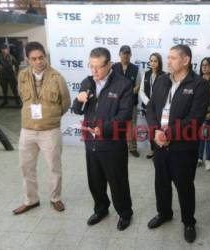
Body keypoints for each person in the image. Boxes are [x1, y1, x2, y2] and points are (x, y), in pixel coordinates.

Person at [146, 45, 210, 243]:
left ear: (186, 60)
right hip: (159, 142)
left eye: (173, 58)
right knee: (161, 183)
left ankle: (189, 221)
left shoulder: (199, 84)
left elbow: (195, 118)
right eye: (168, 57)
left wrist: (169, 135)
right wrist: (156, 130)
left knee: (184, 185)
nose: (169, 61)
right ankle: (164, 213)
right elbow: (151, 108)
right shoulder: (163, 80)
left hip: (183, 146)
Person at [72, 47, 134, 231]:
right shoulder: (87, 82)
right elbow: (77, 109)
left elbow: (124, 115)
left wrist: (103, 129)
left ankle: (125, 213)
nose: (94, 71)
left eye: (98, 67)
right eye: (91, 66)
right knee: (95, 181)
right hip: (91, 143)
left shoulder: (123, 84)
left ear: (109, 64)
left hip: (112, 143)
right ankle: (101, 209)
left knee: (118, 182)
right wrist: (79, 99)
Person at [13, 42, 70, 214]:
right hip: (27, 130)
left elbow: (66, 102)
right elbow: (22, 97)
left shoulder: (57, 77)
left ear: (45, 57)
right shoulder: (22, 75)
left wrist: (50, 117)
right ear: (28, 59)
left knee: (54, 167)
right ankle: (31, 200)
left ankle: (55, 198)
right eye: (34, 59)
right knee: (26, 167)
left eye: (41, 58)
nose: (38, 62)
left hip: (49, 131)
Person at [112, 45, 141, 157]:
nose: (126, 55)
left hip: (131, 103)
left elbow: (138, 85)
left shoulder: (135, 69)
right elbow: (110, 84)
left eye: (128, 53)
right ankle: (116, 146)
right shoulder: (113, 68)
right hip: (116, 104)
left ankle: (132, 147)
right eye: (124, 53)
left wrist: (126, 95)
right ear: (119, 54)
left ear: (130, 55)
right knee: (116, 125)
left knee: (132, 126)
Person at [139, 52, 165, 159]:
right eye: (151, 61)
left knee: (158, 129)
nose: (153, 63)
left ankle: (159, 150)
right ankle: (152, 150)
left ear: (159, 62)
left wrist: (155, 103)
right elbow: (141, 91)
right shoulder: (146, 74)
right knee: (151, 129)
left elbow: (164, 93)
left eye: (155, 61)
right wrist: (148, 103)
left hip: (159, 109)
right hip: (147, 108)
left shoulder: (164, 75)